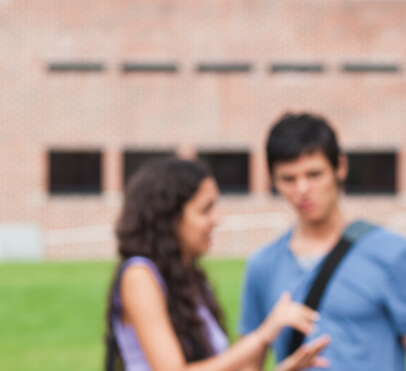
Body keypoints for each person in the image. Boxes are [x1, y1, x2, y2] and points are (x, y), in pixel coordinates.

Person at [239, 112, 406, 371]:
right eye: (288, 179)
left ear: (340, 167)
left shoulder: (394, 253)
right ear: (272, 180)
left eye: (314, 174)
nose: (302, 189)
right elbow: (246, 365)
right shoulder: (262, 264)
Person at [106, 158, 328, 371]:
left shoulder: (191, 279)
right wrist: (263, 335)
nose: (217, 219)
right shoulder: (139, 275)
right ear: (170, 218)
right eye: (205, 209)